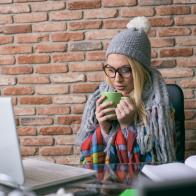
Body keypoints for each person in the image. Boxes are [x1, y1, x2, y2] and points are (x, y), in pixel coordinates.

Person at [77, 17, 176, 165]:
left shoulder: (158, 110)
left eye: (125, 70)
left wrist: (126, 127)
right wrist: (104, 130)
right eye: (111, 70)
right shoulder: (99, 99)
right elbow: (87, 162)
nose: (117, 79)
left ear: (140, 71)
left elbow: (154, 166)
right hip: (106, 185)